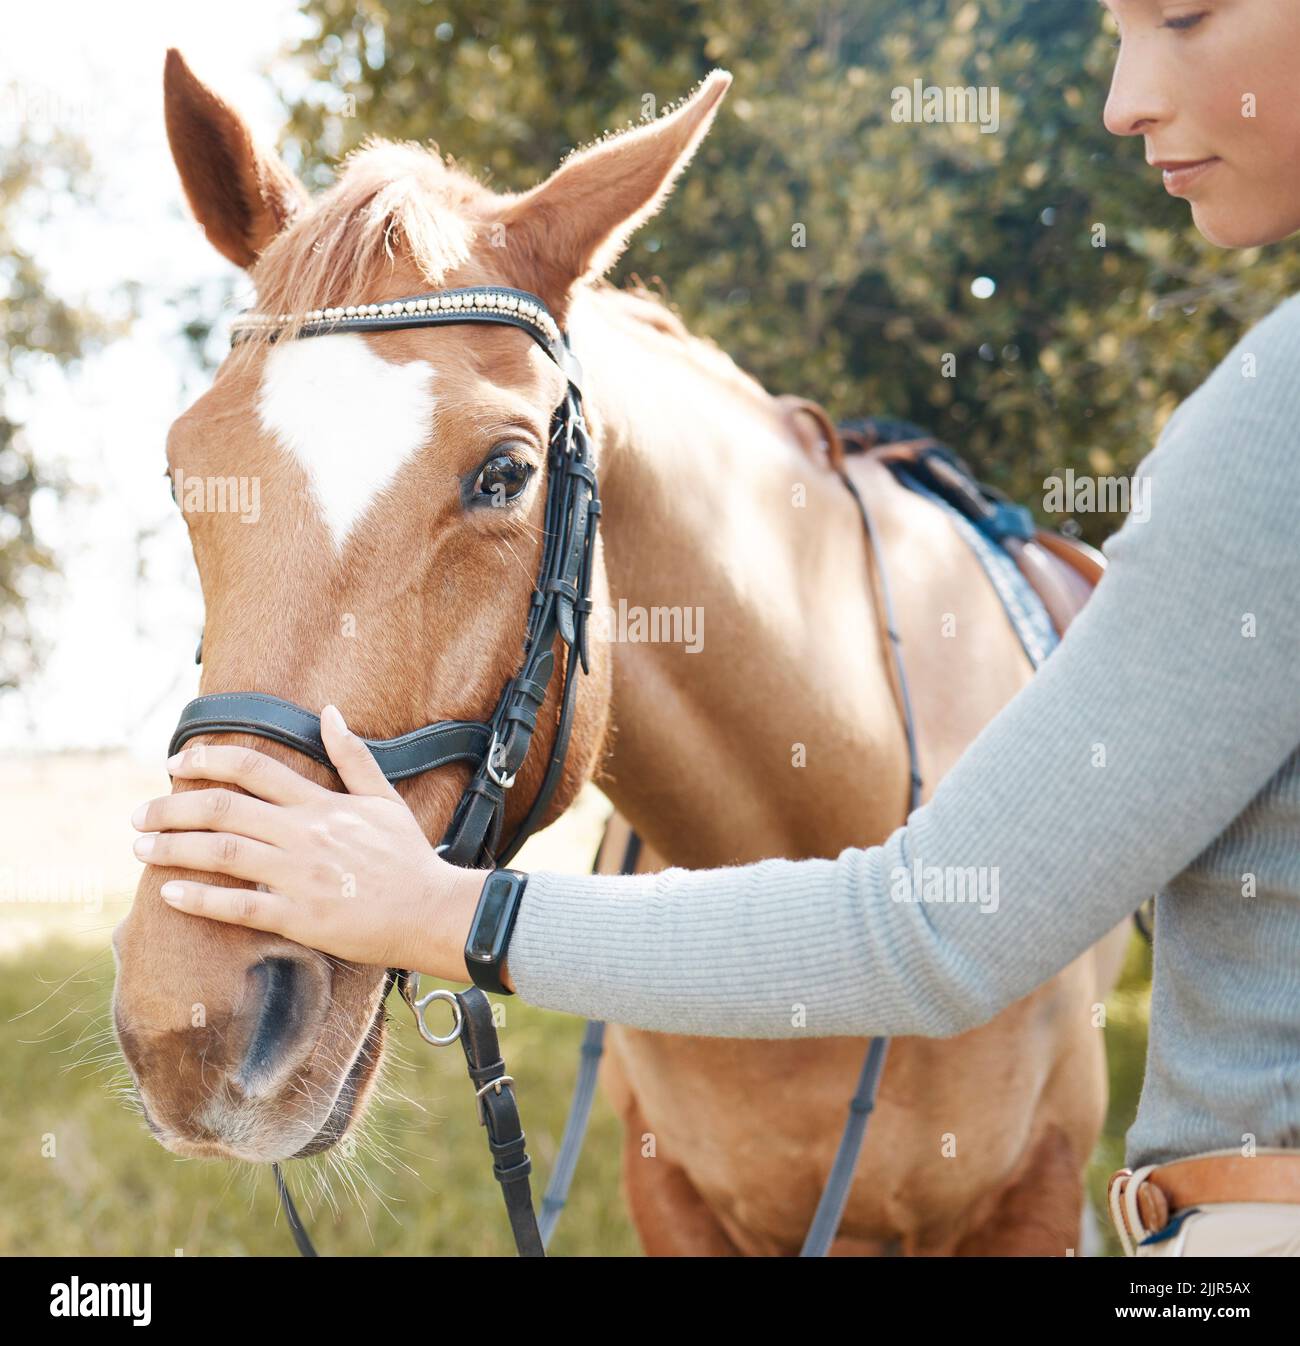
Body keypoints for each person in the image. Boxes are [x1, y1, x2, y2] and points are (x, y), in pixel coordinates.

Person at [133, 0, 1300, 1256]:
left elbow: (934, 930)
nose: (1122, 98)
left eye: (1182, 16)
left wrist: (439, 911)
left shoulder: (1263, 423)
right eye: (1120, 29)